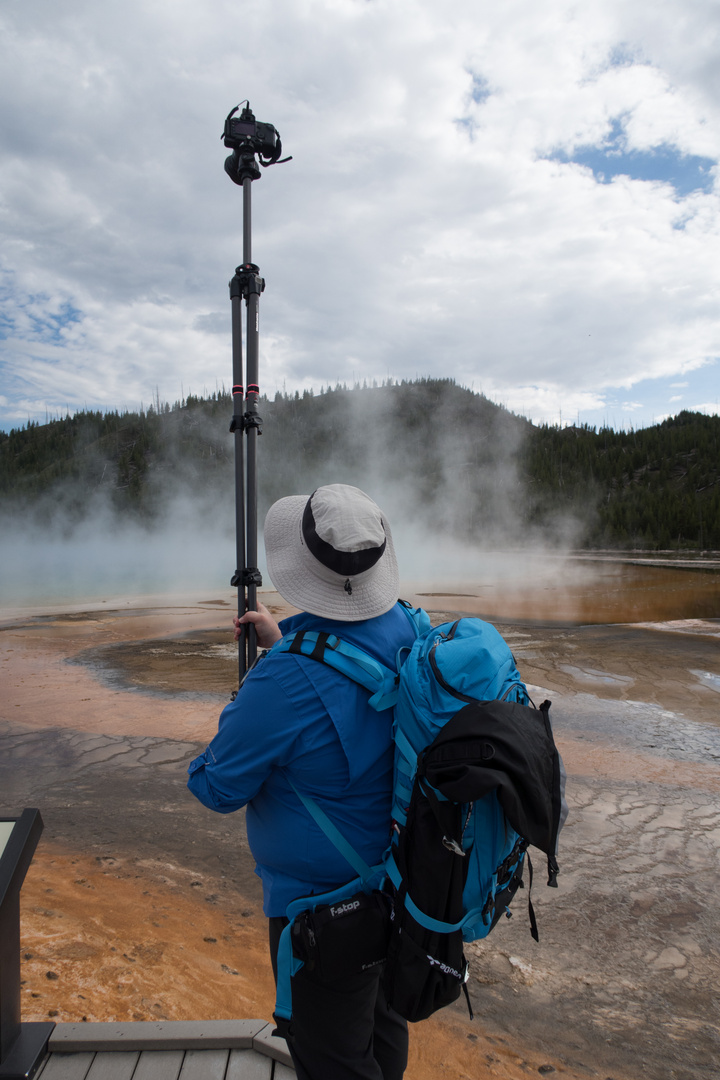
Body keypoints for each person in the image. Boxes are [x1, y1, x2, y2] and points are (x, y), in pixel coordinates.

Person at [187, 483, 416, 1080]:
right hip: (398, 883)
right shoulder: (406, 629)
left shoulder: (281, 684)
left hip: (323, 912)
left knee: (331, 1059)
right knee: (381, 1028)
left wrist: (249, 704)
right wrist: (287, 644)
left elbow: (215, 788)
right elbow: (353, 689)